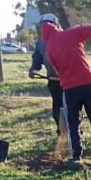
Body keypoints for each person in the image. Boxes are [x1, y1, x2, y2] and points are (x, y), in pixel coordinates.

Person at [38, 18, 91, 163]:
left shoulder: (49, 50)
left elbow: (58, 71)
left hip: (70, 88)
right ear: (57, 27)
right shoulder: (72, 33)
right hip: (89, 83)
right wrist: (78, 31)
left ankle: (76, 156)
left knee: (73, 123)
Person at [28, 13, 65, 141]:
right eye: (44, 26)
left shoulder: (65, 38)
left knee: (71, 107)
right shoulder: (40, 43)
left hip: (70, 80)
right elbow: (37, 59)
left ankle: (75, 132)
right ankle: (61, 131)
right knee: (57, 109)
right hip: (54, 81)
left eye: (50, 25)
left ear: (57, 25)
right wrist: (33, 69)